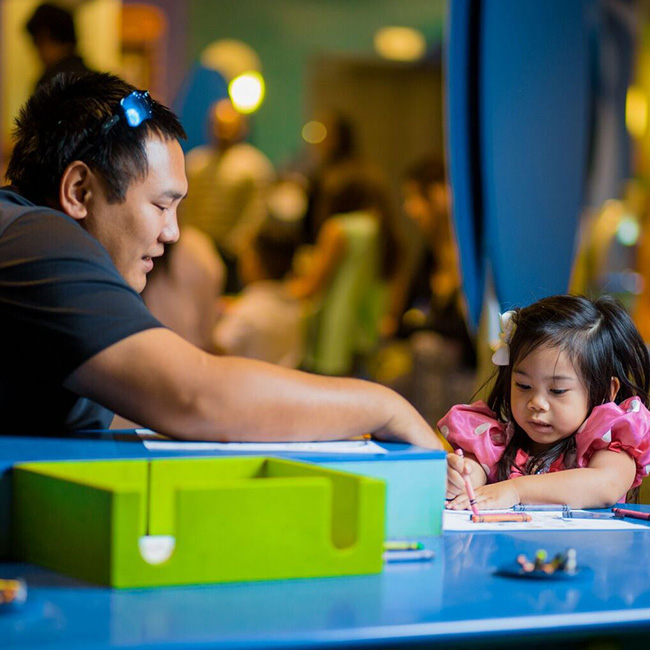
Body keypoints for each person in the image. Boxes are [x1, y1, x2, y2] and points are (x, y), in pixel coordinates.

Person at [1, 71, 439, 449]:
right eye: (159, 206)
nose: (171, 233)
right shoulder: (34, 240)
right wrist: (385, 408)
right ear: (79, 190)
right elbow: (195, 397)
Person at [441, 294, 650, 510]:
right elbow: (475, 472)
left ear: (607, 391)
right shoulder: (497, 440)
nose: (536, 403)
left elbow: (607, 485)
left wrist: (516, 490)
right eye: (523, 385)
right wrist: (461, 477)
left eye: (557, 390)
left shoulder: (608, 443)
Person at [289, 161, 402, 377]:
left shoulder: (339, 228)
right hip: (367, 326)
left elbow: (312, 287)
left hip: (336, 328)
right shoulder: (382, 227)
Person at [179, 98, 274, 293]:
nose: (222, 131)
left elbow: (257, 212)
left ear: (242, 128)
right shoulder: (196, 163)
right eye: (218, 125)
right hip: (196, 248)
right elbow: (185, 205)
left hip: (233, 254)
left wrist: (235, 246)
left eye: (228, 126)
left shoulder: (254, 166)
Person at [213, 221, 304, 367]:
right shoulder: (295, 305)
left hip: (247, 384)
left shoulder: (247, 312)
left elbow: (217, 348)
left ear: (256, 262)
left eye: (247, 252)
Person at [26, 2, 93, 90]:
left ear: (45, 37)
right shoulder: (96, 80)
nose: (37, 54)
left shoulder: (50, 84)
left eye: (37, 44)